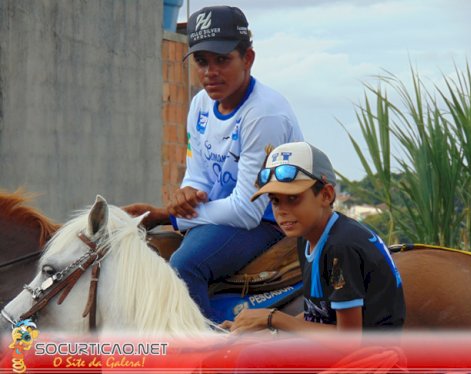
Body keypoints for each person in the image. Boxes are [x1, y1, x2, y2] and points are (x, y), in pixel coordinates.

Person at [124, 6, 303, 322]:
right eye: (202, 61)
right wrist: (188, 193)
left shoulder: (263, 114)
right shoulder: (200, 104)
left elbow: (247, 210)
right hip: (224, 217)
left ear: (247, 59)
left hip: (270, 219)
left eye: (222, 60)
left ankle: (209, 356)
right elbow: (199, 175)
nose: (210, 72)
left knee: (183, 268)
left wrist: (170, 215)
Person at [222, 141, 405, 334]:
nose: (282, 211)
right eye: (275, 201)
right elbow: (318, 317)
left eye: (293, 198)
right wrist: (264, 329)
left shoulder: (341, 247)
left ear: (326, 195)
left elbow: (349, 341)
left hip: (368, 357)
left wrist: (272, 318)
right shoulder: (306, 237)